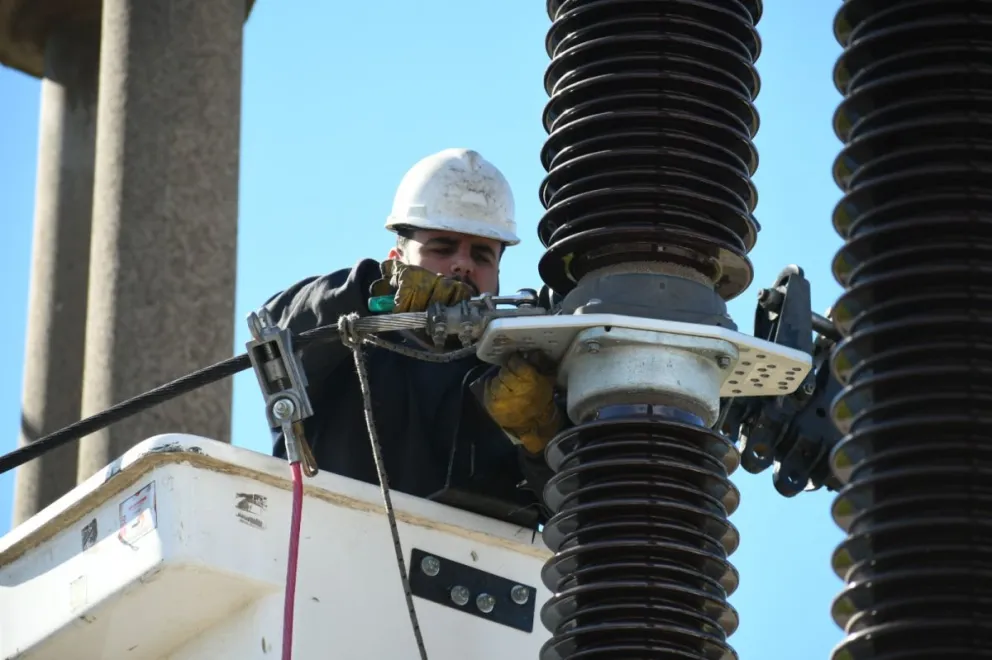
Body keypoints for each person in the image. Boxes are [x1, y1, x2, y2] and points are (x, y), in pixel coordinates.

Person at [260, 148, 562, 526]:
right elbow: (277, 326)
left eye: (482, 255)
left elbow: (577, 515)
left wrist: (543, 439)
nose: (462, 264)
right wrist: (370, 287)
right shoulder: (346, 350)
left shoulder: (518, 383)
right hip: (331, 562)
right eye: (442, 247)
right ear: (396, 260)